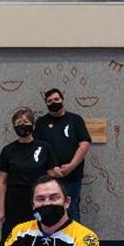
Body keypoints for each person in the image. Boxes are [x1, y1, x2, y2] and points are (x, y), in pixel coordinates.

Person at [0, 108, 58, 246]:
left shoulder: (44, 147)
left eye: (25, 122)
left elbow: (52, 176)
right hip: (14, 200)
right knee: (11, 239)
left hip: (39, 200)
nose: (22, 125)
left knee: (38, 237)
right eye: (18, 123)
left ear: (33, 125)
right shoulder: (8, 150)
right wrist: (0, 207)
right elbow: (2, 181)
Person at [34, 88, 92, 222]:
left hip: (72, 176)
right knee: (47, 211)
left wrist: (71, 166)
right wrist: (51, 169)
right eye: (49, 101)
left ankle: (73, 242)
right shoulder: (41, 122)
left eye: (56, 99)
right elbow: (37, 149)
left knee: (72, 210)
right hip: (48, 177)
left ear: (62, 100)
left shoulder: (75, 119)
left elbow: (84, 144)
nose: (53, 102)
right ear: (46, 104)